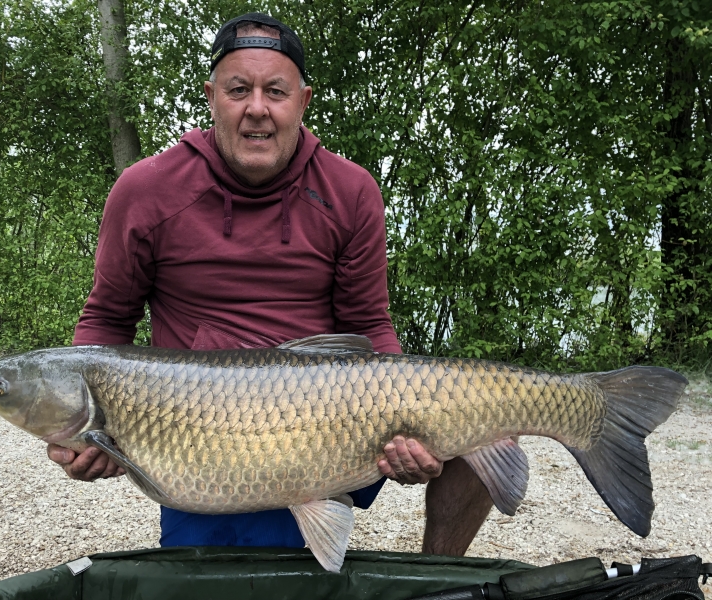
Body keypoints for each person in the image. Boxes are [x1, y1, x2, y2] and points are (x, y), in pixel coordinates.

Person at [47, 12, 493, 554]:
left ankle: (436, 579)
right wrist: (84, 422)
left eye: (275, 91)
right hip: (206, 433)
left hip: (336, 415)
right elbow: (106, 318)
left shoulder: (351, 189)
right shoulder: (145, 190)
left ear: (302, 102)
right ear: (212, 96)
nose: (257, 108)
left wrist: (402, 431)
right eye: (239, 89)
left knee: (490, 424)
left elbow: (368, 322)